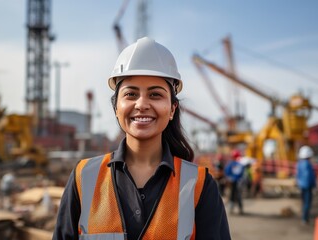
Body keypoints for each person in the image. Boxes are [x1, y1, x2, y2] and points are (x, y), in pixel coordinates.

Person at [53, 37, 230, 239]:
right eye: (130, 94)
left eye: (155, 95)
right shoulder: (83, 177)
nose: (142, 104)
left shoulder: (200, 185)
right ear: (115, 107)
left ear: (172, 109)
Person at [295, 145, 316, 225]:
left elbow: (298, 175)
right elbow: (310, 176)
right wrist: (314, 185)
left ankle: (304, 216)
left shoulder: (299, 163)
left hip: (301, 185)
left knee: (304, 202)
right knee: (307, 203)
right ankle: (305, 218)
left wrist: (298, 183)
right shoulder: (308, 164)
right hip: (308, 186)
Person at [224, 149, 245, 215]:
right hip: (238, 183)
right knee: (237, 196)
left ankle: (232, 209)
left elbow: (227, 172)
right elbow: (241, 174)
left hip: (232, 182)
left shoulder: (230, 164)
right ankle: (240, 209)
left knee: (232, 196)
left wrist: (229, 179)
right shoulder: (240, 164)